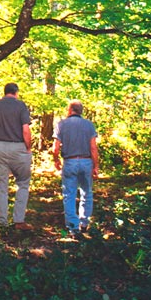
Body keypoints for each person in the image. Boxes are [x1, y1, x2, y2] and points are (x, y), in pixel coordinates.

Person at [0, 83, 33, 230]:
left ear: (5, 92)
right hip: (19, 147)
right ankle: (19, 220)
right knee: (23, 183)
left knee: (1, 186)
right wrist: (28, 147)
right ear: (16, 92)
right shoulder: (21, 106)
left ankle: (2, 222)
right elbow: (26, 130)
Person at [52, 100, 99, 235]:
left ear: (70, 110)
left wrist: (56, 160)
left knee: (69, 194)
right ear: (81, 111)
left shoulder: (61, 124)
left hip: (70, 162)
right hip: (86, 162)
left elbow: (55, 148)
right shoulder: (89, 125)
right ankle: (84, 223)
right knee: (87, 192)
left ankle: (73, 227)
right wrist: (96, 165)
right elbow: (93, 147)